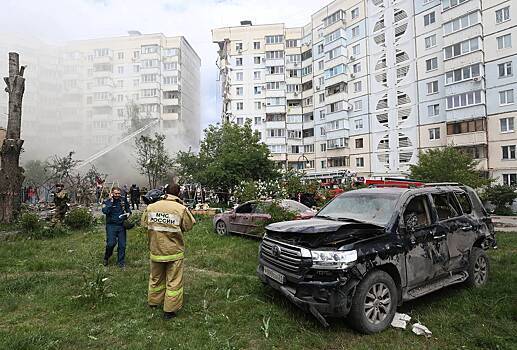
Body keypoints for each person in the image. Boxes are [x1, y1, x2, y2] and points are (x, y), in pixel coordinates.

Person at [141, 183, 195, 319]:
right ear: (178, 193)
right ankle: (169, 311)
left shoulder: (151, 207)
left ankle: (154, 302)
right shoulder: (181, 208)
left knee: (156, 278)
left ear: (165, 192)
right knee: (174, 281)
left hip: (156, 250)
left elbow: (144, 224)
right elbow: (189, 226)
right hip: (174, 252)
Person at [102, 187, 131, 268]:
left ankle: (121, 263)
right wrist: (111, 202)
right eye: (115, 194)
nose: (117, 195)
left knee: (122, 245)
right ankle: (106, 257)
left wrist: (128, 213)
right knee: (111, 244)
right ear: (112, 193)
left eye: (118, 193)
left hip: (121, 225)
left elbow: (128, 209)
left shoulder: (123, 200)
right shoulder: (107, 201)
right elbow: (105, 211)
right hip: (111, 225)